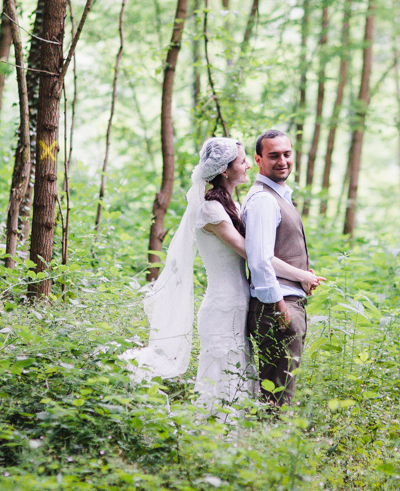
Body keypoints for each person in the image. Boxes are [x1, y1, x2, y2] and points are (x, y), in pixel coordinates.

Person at [123, 137, 317, 414]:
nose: (249, 165)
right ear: (225, 170)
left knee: (240, 378)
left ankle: (234, 442)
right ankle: (212, 435)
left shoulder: (230, 206)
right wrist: (301, 275)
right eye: (242, 161)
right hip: (222, 306)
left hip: (239, 303)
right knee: (221, 376)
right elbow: (254, 255)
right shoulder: (211, 210)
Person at [244, 129, 322, 408]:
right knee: (277, 401)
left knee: (279, 396)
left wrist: (302, 277)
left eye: (287, 154)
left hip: (285, 305)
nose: (283, 161)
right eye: (273, 155)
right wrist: (280, 306)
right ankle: (270, 447)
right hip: (277, 308)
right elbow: (260, 260)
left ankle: (270, 444)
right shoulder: (264, 199)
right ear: (258, 159)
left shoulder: (278, 196)